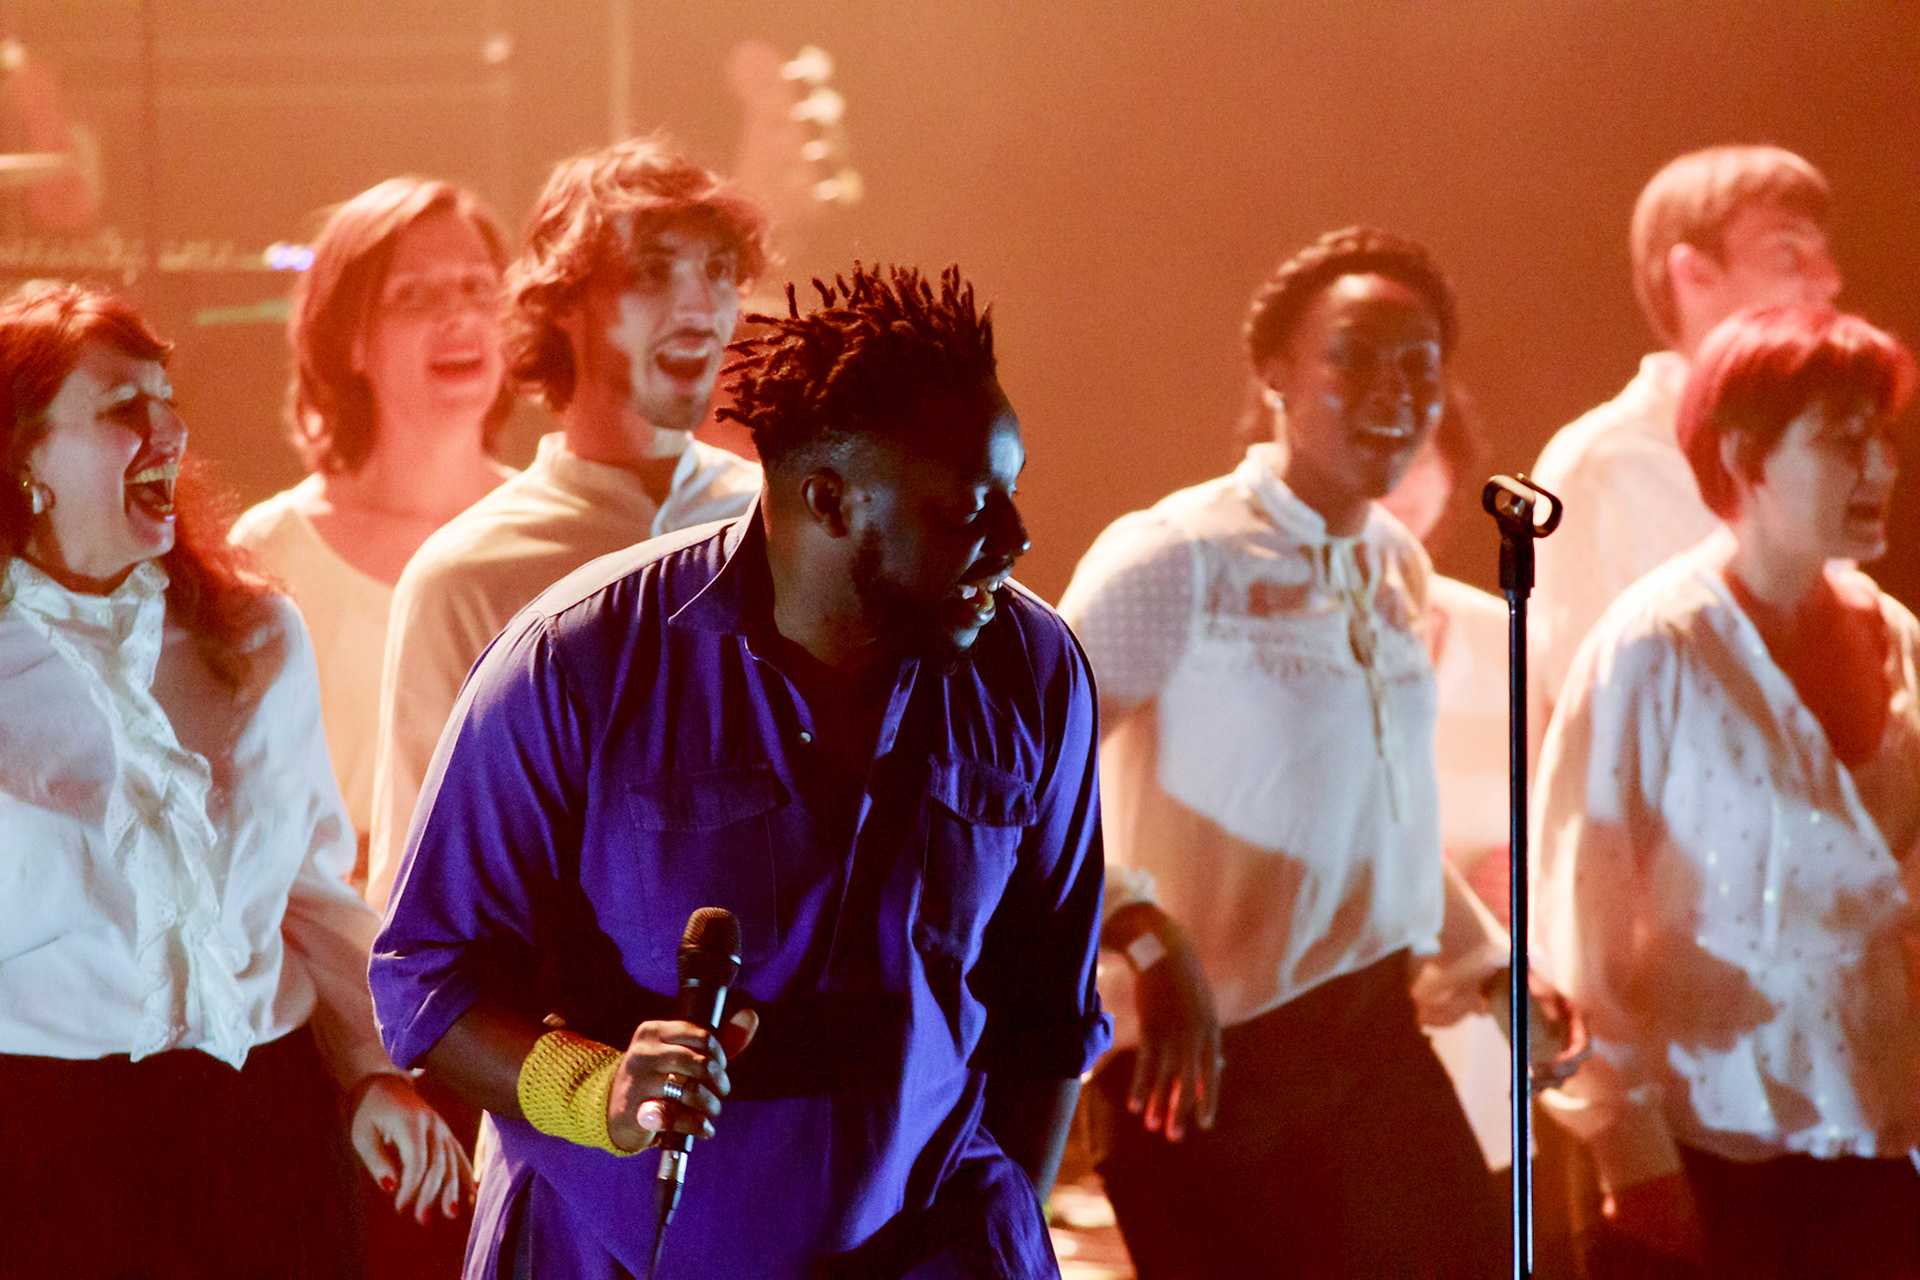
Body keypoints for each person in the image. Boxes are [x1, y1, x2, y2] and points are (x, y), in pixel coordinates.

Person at [369, 263, 1110, 1277]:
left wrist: (998, 1230)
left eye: (1011, 495)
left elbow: (1046, 1015)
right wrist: (598, 1092)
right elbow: (427, 981)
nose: (1014, 541)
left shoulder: (1034, 669)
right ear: (830, 501)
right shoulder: (574, 663)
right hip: (615, 1253)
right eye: (964, 509)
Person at [1059, 227, 1511, 1277]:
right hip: (1210, 1070)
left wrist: (1490, 962)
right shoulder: (1177, 555)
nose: (1390, 388)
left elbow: (1376, 817)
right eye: (1351, 353)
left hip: (1374, 1043)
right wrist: (1139, 931)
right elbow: (1023, 785)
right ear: (1273, 371)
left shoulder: (1394, 564)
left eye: (1420, 364)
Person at [0, 283, 469, 1277]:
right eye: (124, 407)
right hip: (48, 1139)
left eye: (168, 401)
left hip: (262, 1121)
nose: (167, 428)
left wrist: (371, 1071)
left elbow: (309, 885)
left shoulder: (254, 635)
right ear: (25, 458)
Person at [1533, 305, 1920, 1279]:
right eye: (1841, 440)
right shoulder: (1654, 645)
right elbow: (1578, 921)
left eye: (1882, 436)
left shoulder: (1898, 638)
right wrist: (1631, 1148)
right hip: (1710, 1152)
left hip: (1878, 1143)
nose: (1878, 466)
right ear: (1744, 454)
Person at [365, 136, 766, 907]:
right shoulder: (465, 575)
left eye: (718, 272)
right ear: (563, 303)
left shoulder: (781, 522)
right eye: (652, 274)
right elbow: (418, 907)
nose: (698, 308)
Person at [231, 177, 515, 890]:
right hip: (330, 968)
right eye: (412, 296)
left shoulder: (553, 533)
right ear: (348, 340)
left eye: (478, 288)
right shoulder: (271, 553)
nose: (458, 315)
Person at [1530, 145, 1841, 714]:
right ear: (1694, 274)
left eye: (1824, 258)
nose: (1829, 283)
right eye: (1788, 255)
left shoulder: (1816, 454)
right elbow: (1589, 718)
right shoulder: (1601, 465)